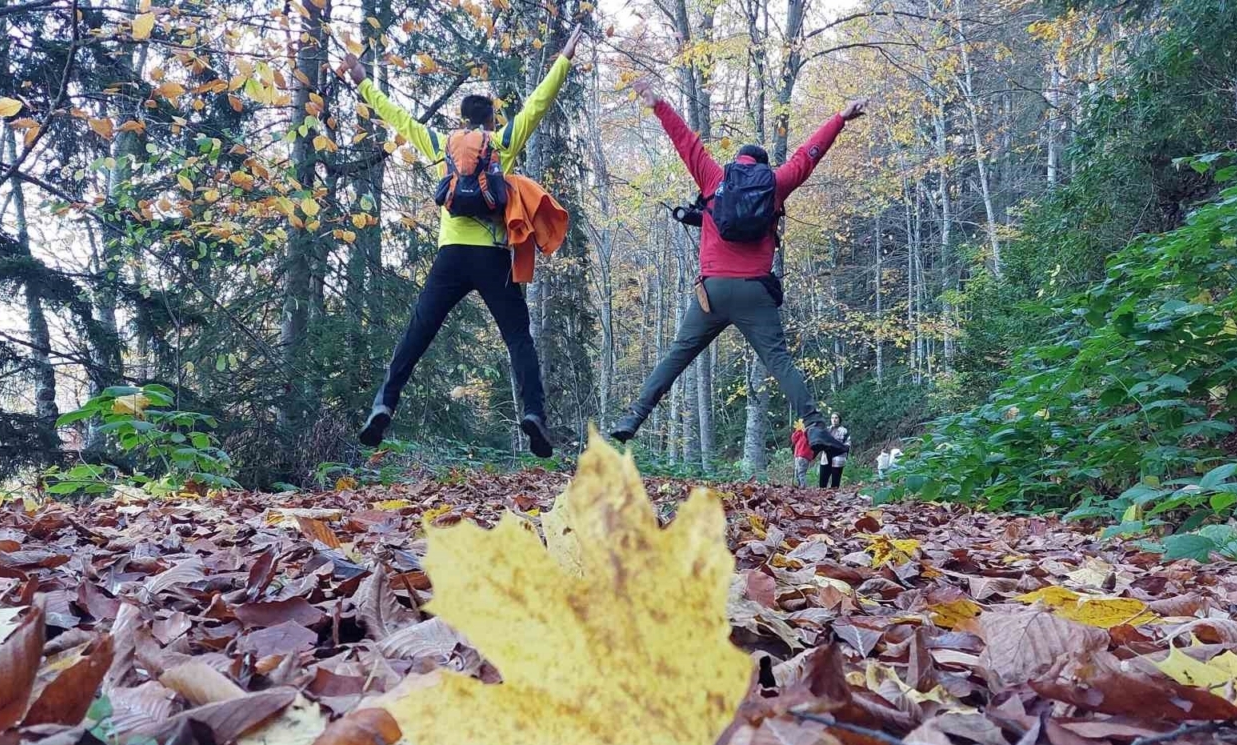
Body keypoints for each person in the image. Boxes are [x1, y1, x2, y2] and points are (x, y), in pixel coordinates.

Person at [340, 25, 584, 457]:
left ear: (461, 120)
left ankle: (385, 403)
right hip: (493, 258)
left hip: (450, 256)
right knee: (517, 338)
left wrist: (362, 80)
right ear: (490, 121)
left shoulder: (443, 144)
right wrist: (563, 58)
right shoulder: (502, 142)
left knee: (418, 331)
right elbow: (539, 105)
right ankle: (533, 413)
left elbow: (398, 117)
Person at [609, 78, 868, 463]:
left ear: (739, 163)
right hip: (754, 293)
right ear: (762, 167)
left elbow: (686, 142)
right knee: (779, 361)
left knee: (677, 356)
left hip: (712, 293)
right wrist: (839, 118)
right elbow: (808, 155)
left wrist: (658, 103)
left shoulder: (715, 179)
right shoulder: (776, 184)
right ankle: (814, 425)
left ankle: (633, 417)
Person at [819, 412, 849, 489]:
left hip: (838, 457)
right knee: (823, 479)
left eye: (836, 418)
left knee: (835, 480)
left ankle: (833, 498)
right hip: (826, 457)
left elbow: (847, 445)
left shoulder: (844, 431)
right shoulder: (827, 430)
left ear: (839, 420)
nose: (834, 420)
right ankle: (822, 497)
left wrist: (839, 449)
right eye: (832, 418)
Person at [790, 420, 814, 488]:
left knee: (801, 473)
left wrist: (806, 429)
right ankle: (800, 486)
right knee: (796, 473)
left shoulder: (809, 432)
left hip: (804, 455)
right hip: (798, 455)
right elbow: (794, 439)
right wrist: (798, 430)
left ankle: (803, 487)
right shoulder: (800, 433)